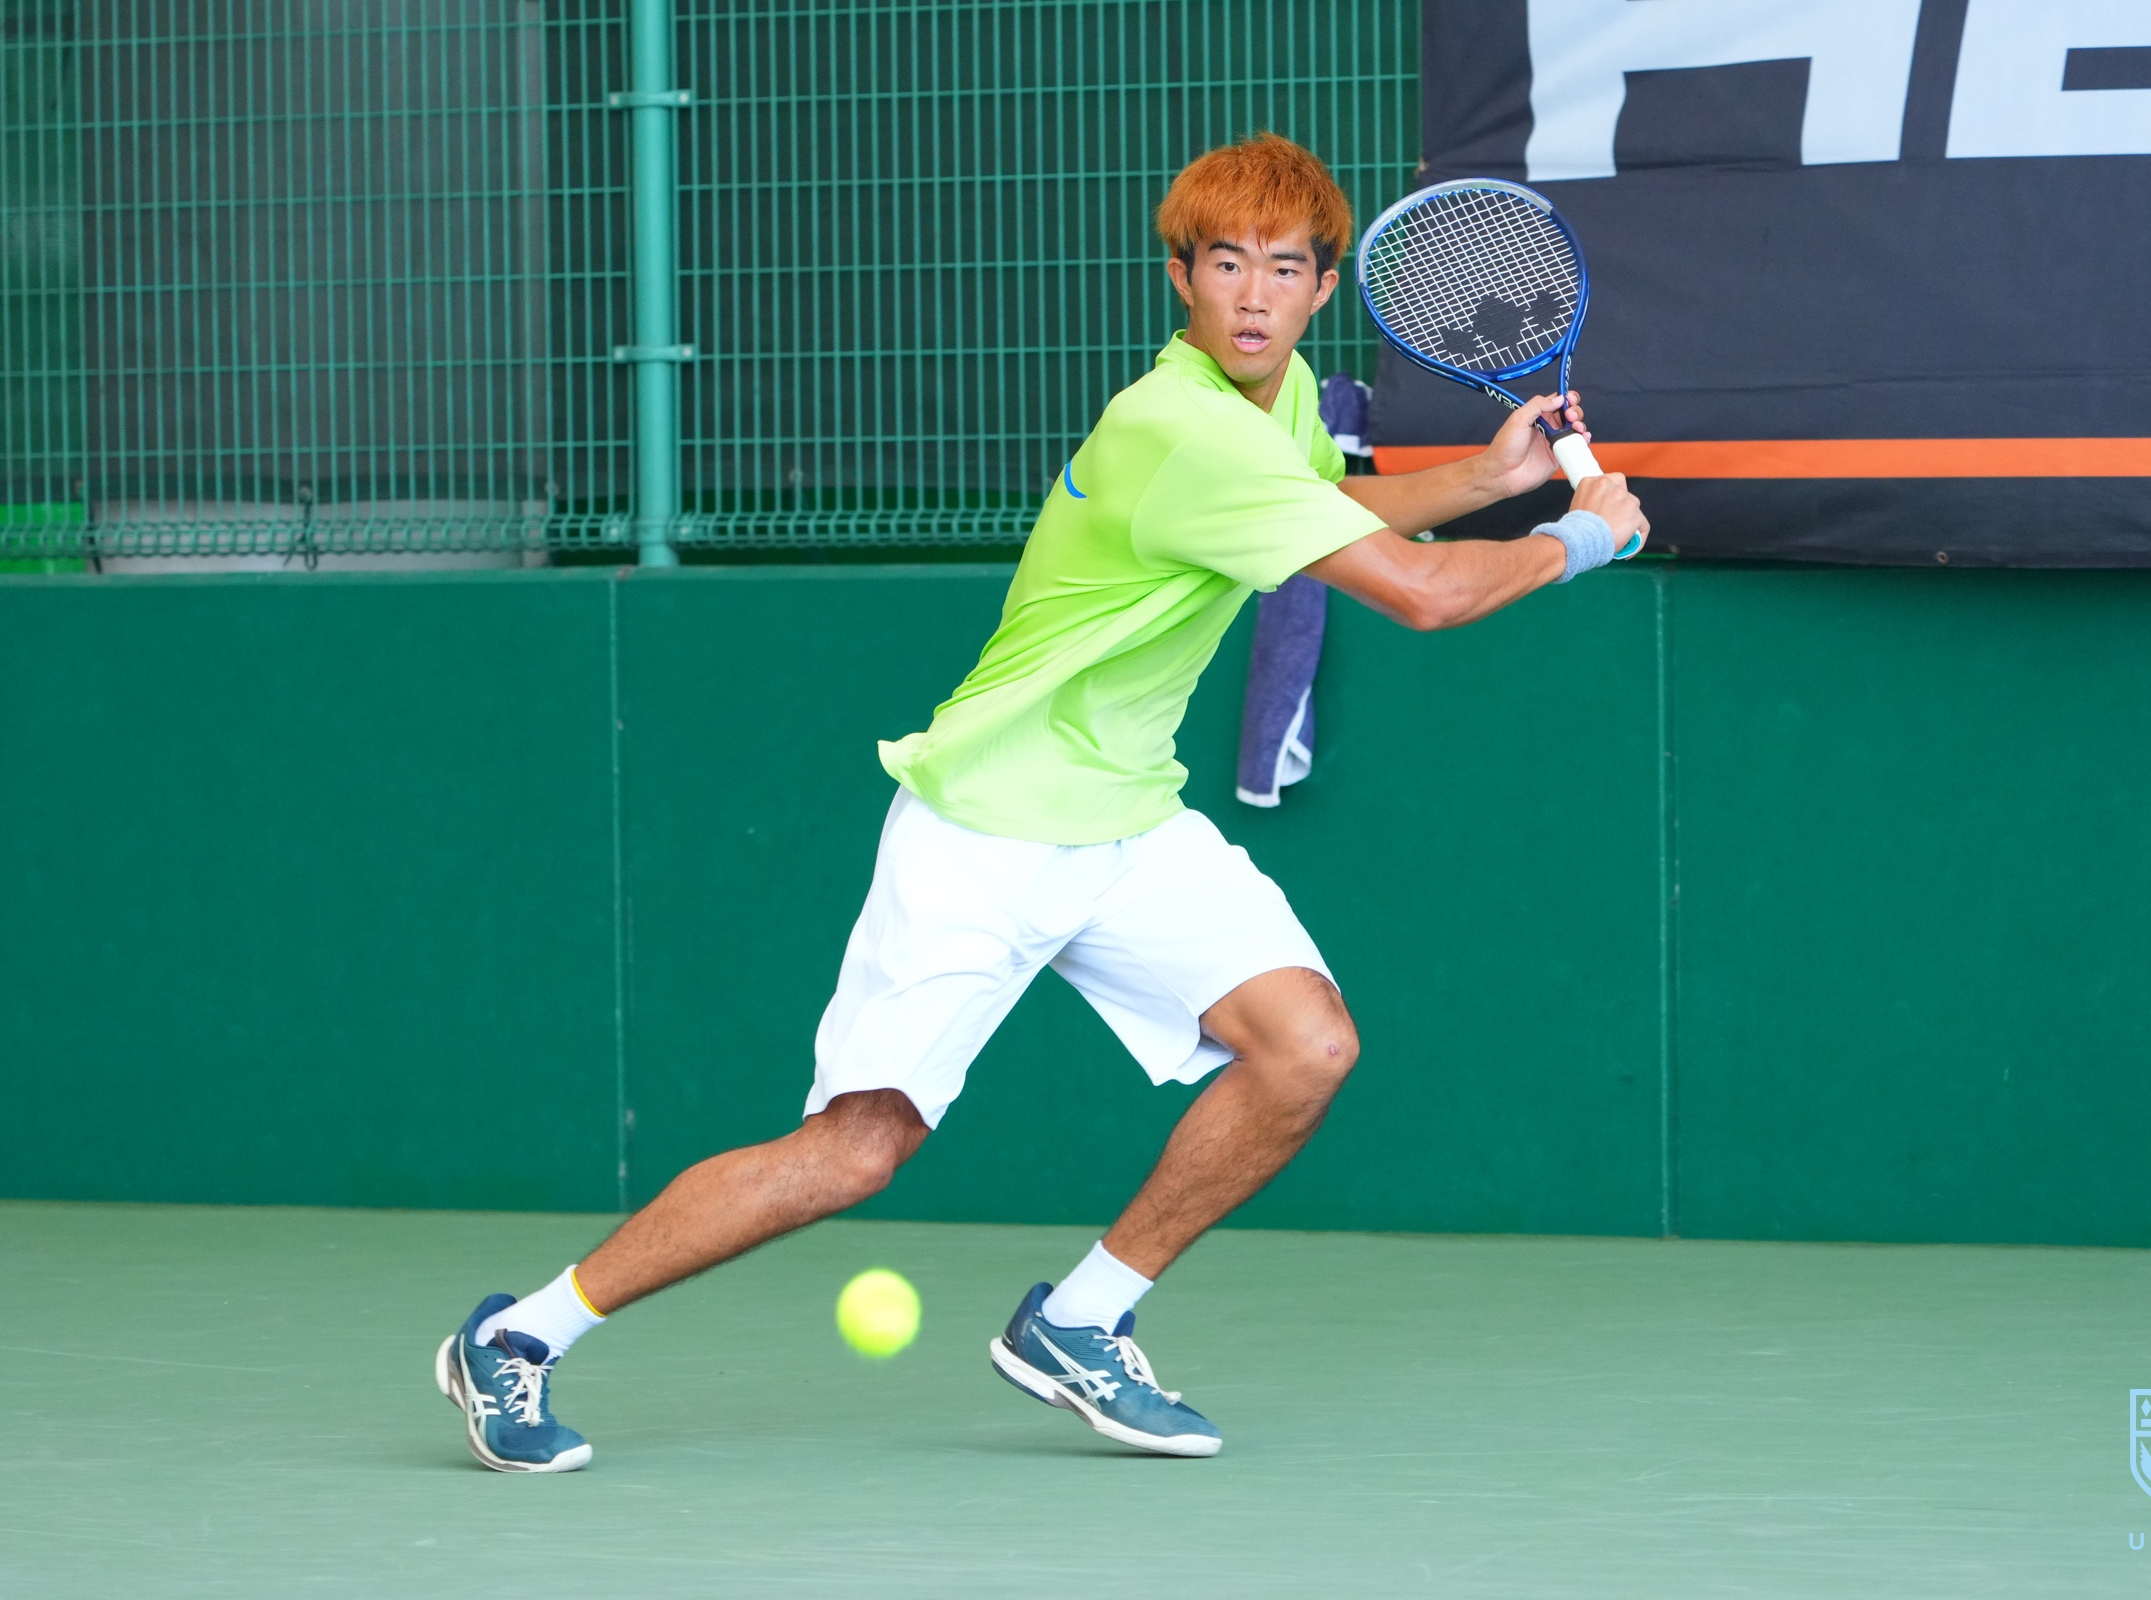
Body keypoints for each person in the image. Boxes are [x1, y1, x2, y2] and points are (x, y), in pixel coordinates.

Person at [434, 132, 1647, 1472]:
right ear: (1181, 276)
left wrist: (1489, 478)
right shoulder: (1180, 429)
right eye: (1225, 265)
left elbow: (1320, 500)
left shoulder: (1277, 397)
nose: (1252, 296)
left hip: (1125, 816)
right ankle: (518, 1337)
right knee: (855, 1152)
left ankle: (1081, 1321)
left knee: (1305, 1046)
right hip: (989, 830)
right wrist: (1580, 538)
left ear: (1320, 286)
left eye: (1281, 269)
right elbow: (1418, 594)